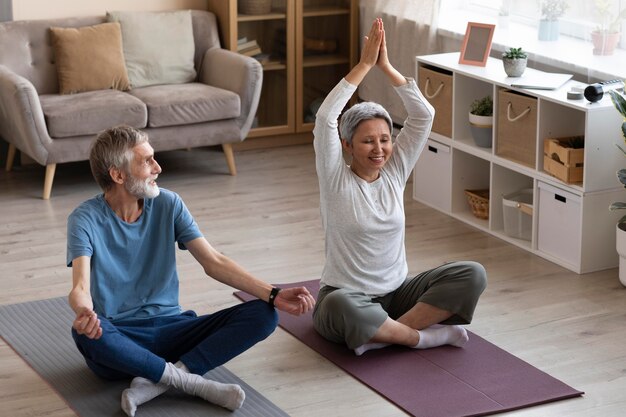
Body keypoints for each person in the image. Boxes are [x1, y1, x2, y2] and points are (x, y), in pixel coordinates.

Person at [67, 125, 315, 416]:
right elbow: (80, 288)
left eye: (153, 158)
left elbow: (213, 261)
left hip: (174, 329)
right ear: (118, 175)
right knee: (84, 334)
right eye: (146, 161)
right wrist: (85, 313)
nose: (157, 167)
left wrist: (273, 294)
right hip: (122, 337)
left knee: (263, 314)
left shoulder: (168, 204)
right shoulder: (84, 219)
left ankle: (164, 380)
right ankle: (194, 383)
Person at [312, 18, 487, 357]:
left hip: (398, 295)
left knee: (472, 274)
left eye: (385, 139)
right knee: (339, 306)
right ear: (346, 145)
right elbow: (325, 118)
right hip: (348, 297)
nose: (379, 149)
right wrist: (364, 66)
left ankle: (383, 334)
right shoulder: (336, 179)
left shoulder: (394, 172)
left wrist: (387, 67)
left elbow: (423, 115)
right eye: (367, 141)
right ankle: (420, 337)